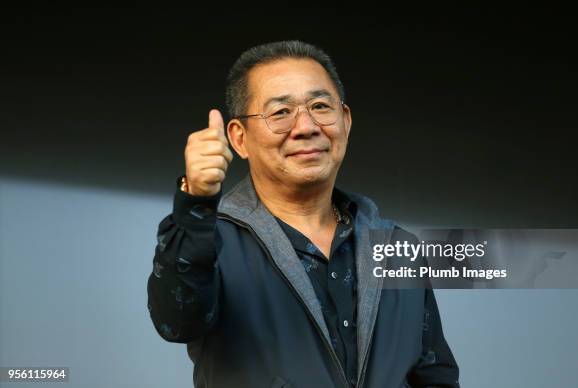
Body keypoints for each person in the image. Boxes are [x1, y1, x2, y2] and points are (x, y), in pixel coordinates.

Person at [147, 40, 459, 388]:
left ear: (345, 120)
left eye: (320, 106)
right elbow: (175, 321)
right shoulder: (209, 241)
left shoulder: (398, 248)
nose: (306, 126)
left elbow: (436, 377)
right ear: (239, 138)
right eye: (281, 112)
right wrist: (196, 202)